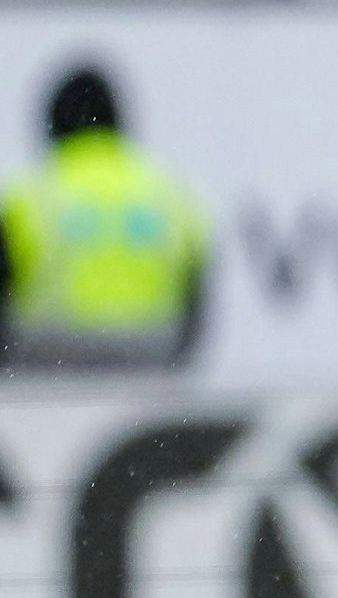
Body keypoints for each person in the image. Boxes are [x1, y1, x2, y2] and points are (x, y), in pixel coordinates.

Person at [0, 65, 207, 370]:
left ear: (52, 126)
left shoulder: (27, 198)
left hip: (49, 367)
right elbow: (195, 311)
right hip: (149, 362)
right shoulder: (172, 195)